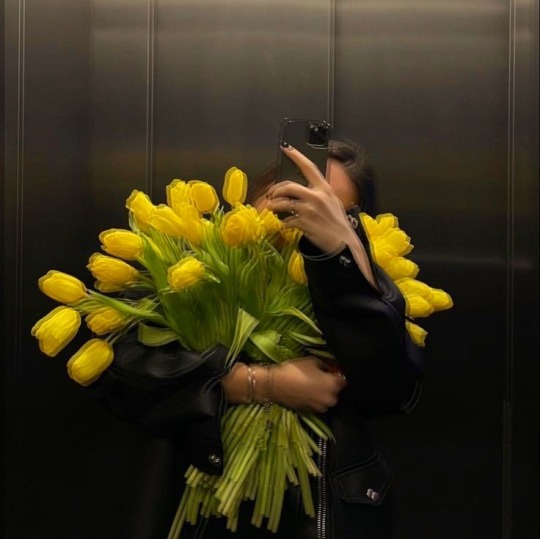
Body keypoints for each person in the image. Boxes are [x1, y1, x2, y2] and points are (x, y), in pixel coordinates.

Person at [89, 138, 423, 539]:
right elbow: (119, 371)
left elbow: (393, 389)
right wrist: (258, 383)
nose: (302, 209)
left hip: (323, 513)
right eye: (293, 190)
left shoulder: (364, 287)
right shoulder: (188, 258)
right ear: (260, 192)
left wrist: (340, 260)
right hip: (198, 509)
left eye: (328, 205)